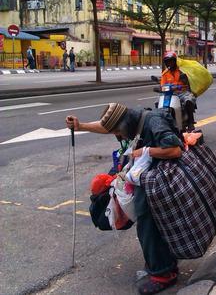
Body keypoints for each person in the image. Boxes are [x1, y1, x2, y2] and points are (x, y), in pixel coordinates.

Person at [66, 103, 182, 294]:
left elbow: (175, 150)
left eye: (117, 132)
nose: (117, 136)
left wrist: (144, 152)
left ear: (124, 123)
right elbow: (109, 126)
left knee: (147, 222)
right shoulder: (131, 121)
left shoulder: (154, 123)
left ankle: (164, 274)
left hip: (160, 179)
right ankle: (163, 262)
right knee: (145, 220)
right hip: (145, 176)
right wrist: (81, 126)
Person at [160, 51, 196, 130]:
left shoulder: (182, 71)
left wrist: (183, 83)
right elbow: (162, 86)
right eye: (168, 61)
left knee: (189, 100)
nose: (170, 63)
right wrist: (164, 88)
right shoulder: (165, 74)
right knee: (157, 103)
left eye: (171, 61)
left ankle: (190, 121)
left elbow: (188, 82)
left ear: (175, 61)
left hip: (182, 92)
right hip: (169, 94)